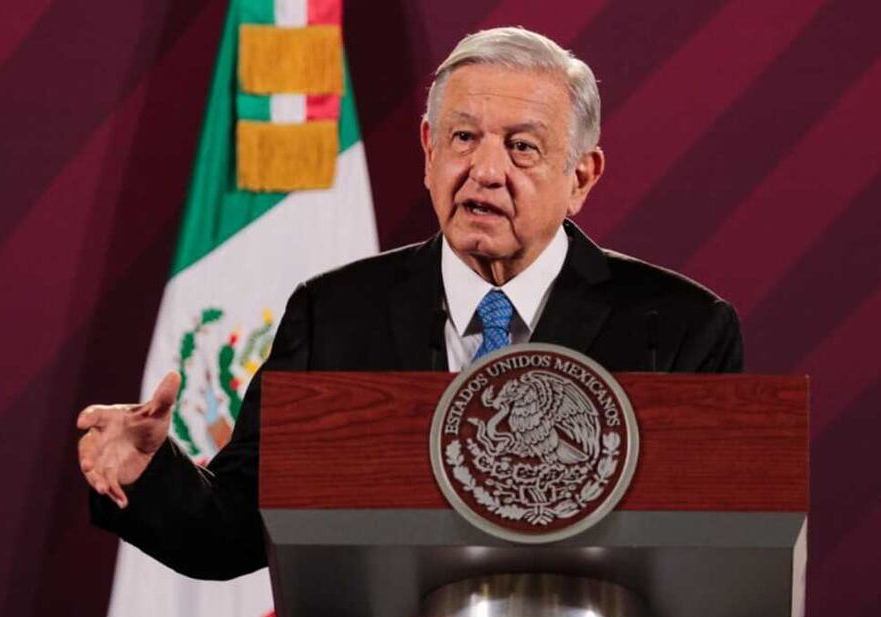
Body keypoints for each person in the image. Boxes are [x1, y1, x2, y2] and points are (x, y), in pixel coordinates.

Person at [78, 27, 743, 580]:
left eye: (521, 147)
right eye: (462, 138)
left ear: (581, 177)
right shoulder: (333, 315)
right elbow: (240, 528)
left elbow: (712, 560)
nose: (485, 170)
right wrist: (147, 473)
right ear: (428, 152)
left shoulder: (680, 329)